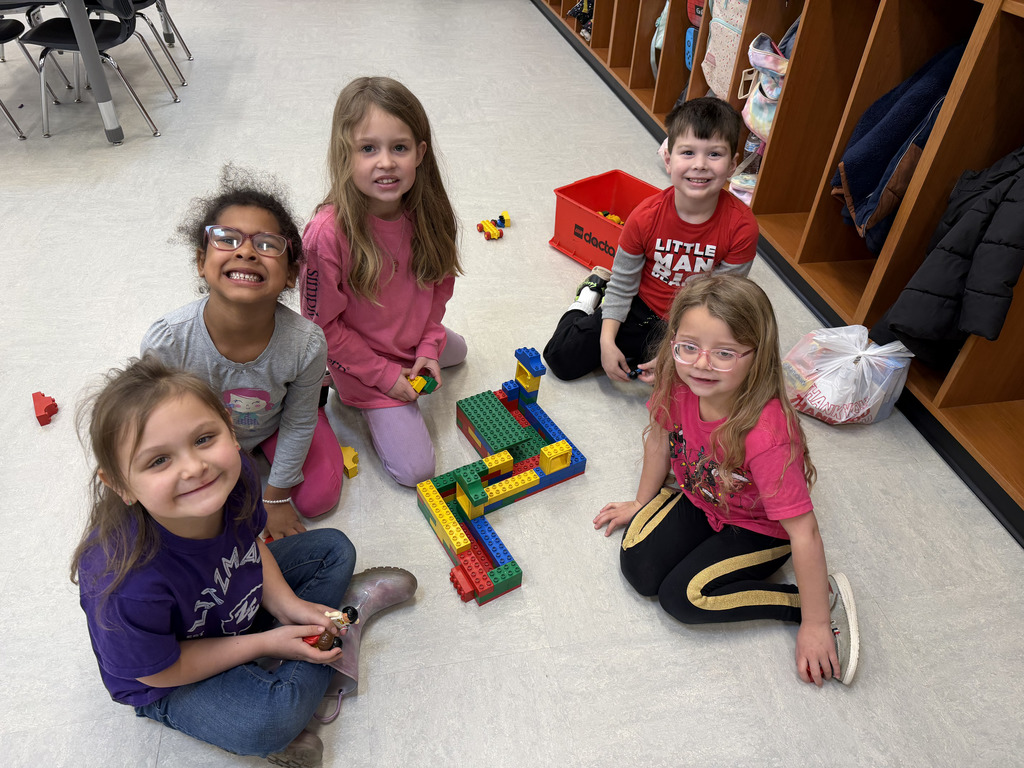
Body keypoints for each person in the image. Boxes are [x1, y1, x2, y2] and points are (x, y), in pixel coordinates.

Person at [71, 357, 418, 766]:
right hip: (171, 675)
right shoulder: (123, 581)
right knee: (269, 721)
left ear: (230, 431)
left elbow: (250, 546)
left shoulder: (234, 480)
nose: (195, 467)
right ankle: (336, 632)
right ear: (120, 485)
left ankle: (311, 642)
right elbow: (157, 673)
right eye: (158, 460)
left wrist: (289, 604)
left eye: (204, 439)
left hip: (234, 610)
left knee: (334, 548)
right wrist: (265, 642)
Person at [593, 275, 860, 686]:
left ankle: (812, 600)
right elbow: (659, 440)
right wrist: (642, 504)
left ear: (756, 356)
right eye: (688, 347)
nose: (701, 364)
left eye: (724, 353)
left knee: (683, 598)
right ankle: (669, 514)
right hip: (702, 498)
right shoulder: (676, 379)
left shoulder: (766, 434)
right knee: (639, 569)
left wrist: (815, 624)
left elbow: (804, 532)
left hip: (758, 528)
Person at [142, 166, 341, 541]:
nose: (247, 251)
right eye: (227, 239)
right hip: (202, 439)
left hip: (277, 424)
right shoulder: (167, 341)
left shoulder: (307, 343)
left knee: (319, 499)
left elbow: (297, 424)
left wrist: (277, 498)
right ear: (201, 262)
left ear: (290, 275)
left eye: (267, 245)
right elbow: (156, 429)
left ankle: (315, 420)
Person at [301, 76, 466, 487]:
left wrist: (428, 345)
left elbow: (439, 288)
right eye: (368, 148)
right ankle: (331, 380)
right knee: (417, 473)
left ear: (420, 153)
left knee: (457, 353)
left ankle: (412, 351)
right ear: (345, 155)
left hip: (408, 337)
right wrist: (386, 377)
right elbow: (321, 327)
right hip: (361, 360)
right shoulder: (326, 235)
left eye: (400, 148)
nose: (386, 163)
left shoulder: (431, 212)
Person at [543, 97, 759, 383]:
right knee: (561, 359)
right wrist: (607, 343)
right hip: (638, 305)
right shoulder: (645, 217)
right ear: (668, 160)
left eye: (715, 154)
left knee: (724, 381)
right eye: (688, 152)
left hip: (695, 319)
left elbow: (721, 304)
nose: (700, 165)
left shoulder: (742, 227)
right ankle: (588, 297)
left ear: (732, 166)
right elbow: (623, 286)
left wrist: (677, 353)